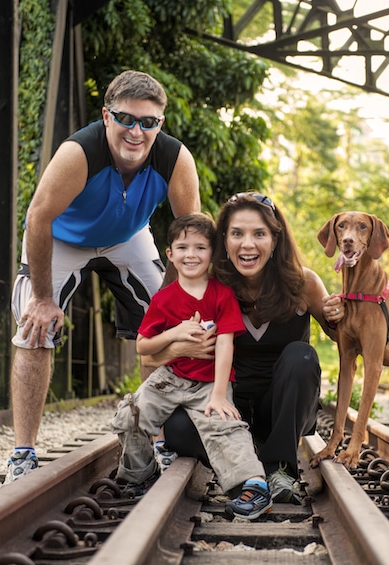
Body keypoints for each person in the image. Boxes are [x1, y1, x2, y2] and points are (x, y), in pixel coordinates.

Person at [5, 70, 200, 483]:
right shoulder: (79, 153)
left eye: (149, 122)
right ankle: (22, 455)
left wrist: (173, 299)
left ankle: (157, 443)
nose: (137, 131)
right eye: (126, 119)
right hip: (62, 238)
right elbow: (38, 218)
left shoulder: (175, 158)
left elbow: (192, 232)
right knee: (33, 329)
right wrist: (42, 299)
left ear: (160, 124)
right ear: (107, 116)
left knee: (165, 325)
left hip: (127, 238)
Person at [147, 192, 344, 504]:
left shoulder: (302, 283)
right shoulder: (207, 287)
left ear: (276, 240)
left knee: (301, 355)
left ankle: (279, 467)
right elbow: (152, 353)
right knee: (177, 427)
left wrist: (339, 315)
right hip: (226, 409)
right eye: (237, 233)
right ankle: (241, 460)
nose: (247, 244)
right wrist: (179, 342)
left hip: (281, 409)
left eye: (259, 234)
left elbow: (340, 337)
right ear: (223, 240)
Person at [111, 213, 273, 520]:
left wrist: (220, 394)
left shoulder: (221, 294)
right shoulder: (163, 299)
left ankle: (253, 484)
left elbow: (225, 343)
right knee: (130, 414)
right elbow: (143, 346)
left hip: (209, 383)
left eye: (200, 248)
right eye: (183, 248)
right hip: (170, 378)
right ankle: (140, 475)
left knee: (223, 424)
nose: (191, 255)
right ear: (170, 254)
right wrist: (175, 333)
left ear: (213, 253)